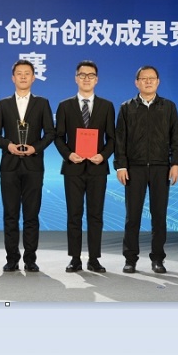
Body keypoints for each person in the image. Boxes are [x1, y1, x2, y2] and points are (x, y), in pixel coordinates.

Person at [114, 65, 178, 274]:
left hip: (160, 167)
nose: (148, 82)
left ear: (158, 82)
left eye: (151, 78)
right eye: (143, 78)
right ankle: (130, 259)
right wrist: (121, 166)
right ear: (136, 82)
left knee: (159, 215)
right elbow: (120, 140)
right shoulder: (126, 107)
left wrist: (175, 164)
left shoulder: (168, 107)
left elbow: (176, 138)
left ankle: (158, 259)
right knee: (132, 216)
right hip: (134, 168)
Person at [0, 59, 56, 273]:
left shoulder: (42, 103)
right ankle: (11, 259)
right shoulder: (3, 104)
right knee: (10, 215)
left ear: (33, 77)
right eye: (19, 73)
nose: (23, 76)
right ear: (13, 78)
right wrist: (8, 145)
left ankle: (30, 259)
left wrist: (35, 148)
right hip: (9, 166)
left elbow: (50, 133)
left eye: (27, 73)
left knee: (31, 215)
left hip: (33, 166)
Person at [54, 60, 115, 273]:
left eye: (91, 75)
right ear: (76, 78)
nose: (86, 78)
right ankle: (75, 258)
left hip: (97, 168)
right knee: (74, 214)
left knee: (96, 215)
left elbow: (113, 138)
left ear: (96, 80)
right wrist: (69, 154)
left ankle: (94, 259)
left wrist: (103, 155)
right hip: (73, 168)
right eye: (82, 75)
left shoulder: (107, 106)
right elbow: (58, 137)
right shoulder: (65, 106)